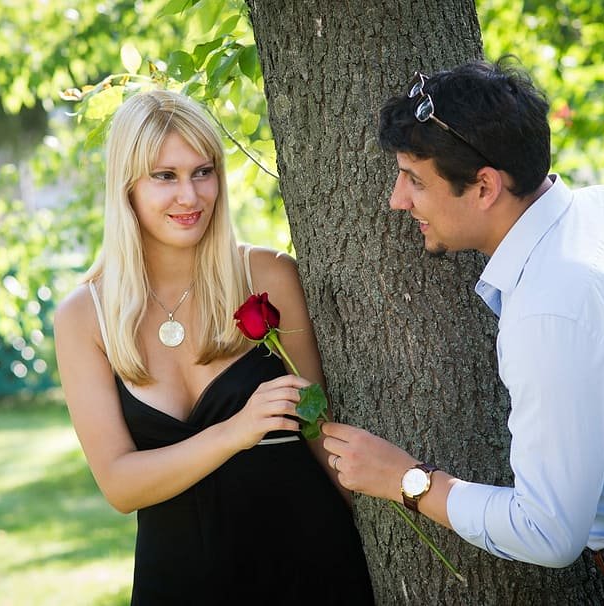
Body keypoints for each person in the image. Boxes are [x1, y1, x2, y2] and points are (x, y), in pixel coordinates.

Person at [321, 57, 604, 605]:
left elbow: (548, 533)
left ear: (484, 186)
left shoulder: (549, 305)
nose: (396, 199)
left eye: (414, 179)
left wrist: (407, 481)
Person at [54, 89, 373, 605]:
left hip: (312, 569)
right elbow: (120, 485)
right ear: (126, 187)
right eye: (165, 177)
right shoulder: (84, 317)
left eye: (203, 171)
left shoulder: (267, 276)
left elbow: (323, 430)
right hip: (178, 583)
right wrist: (235, 431)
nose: (191, 196)